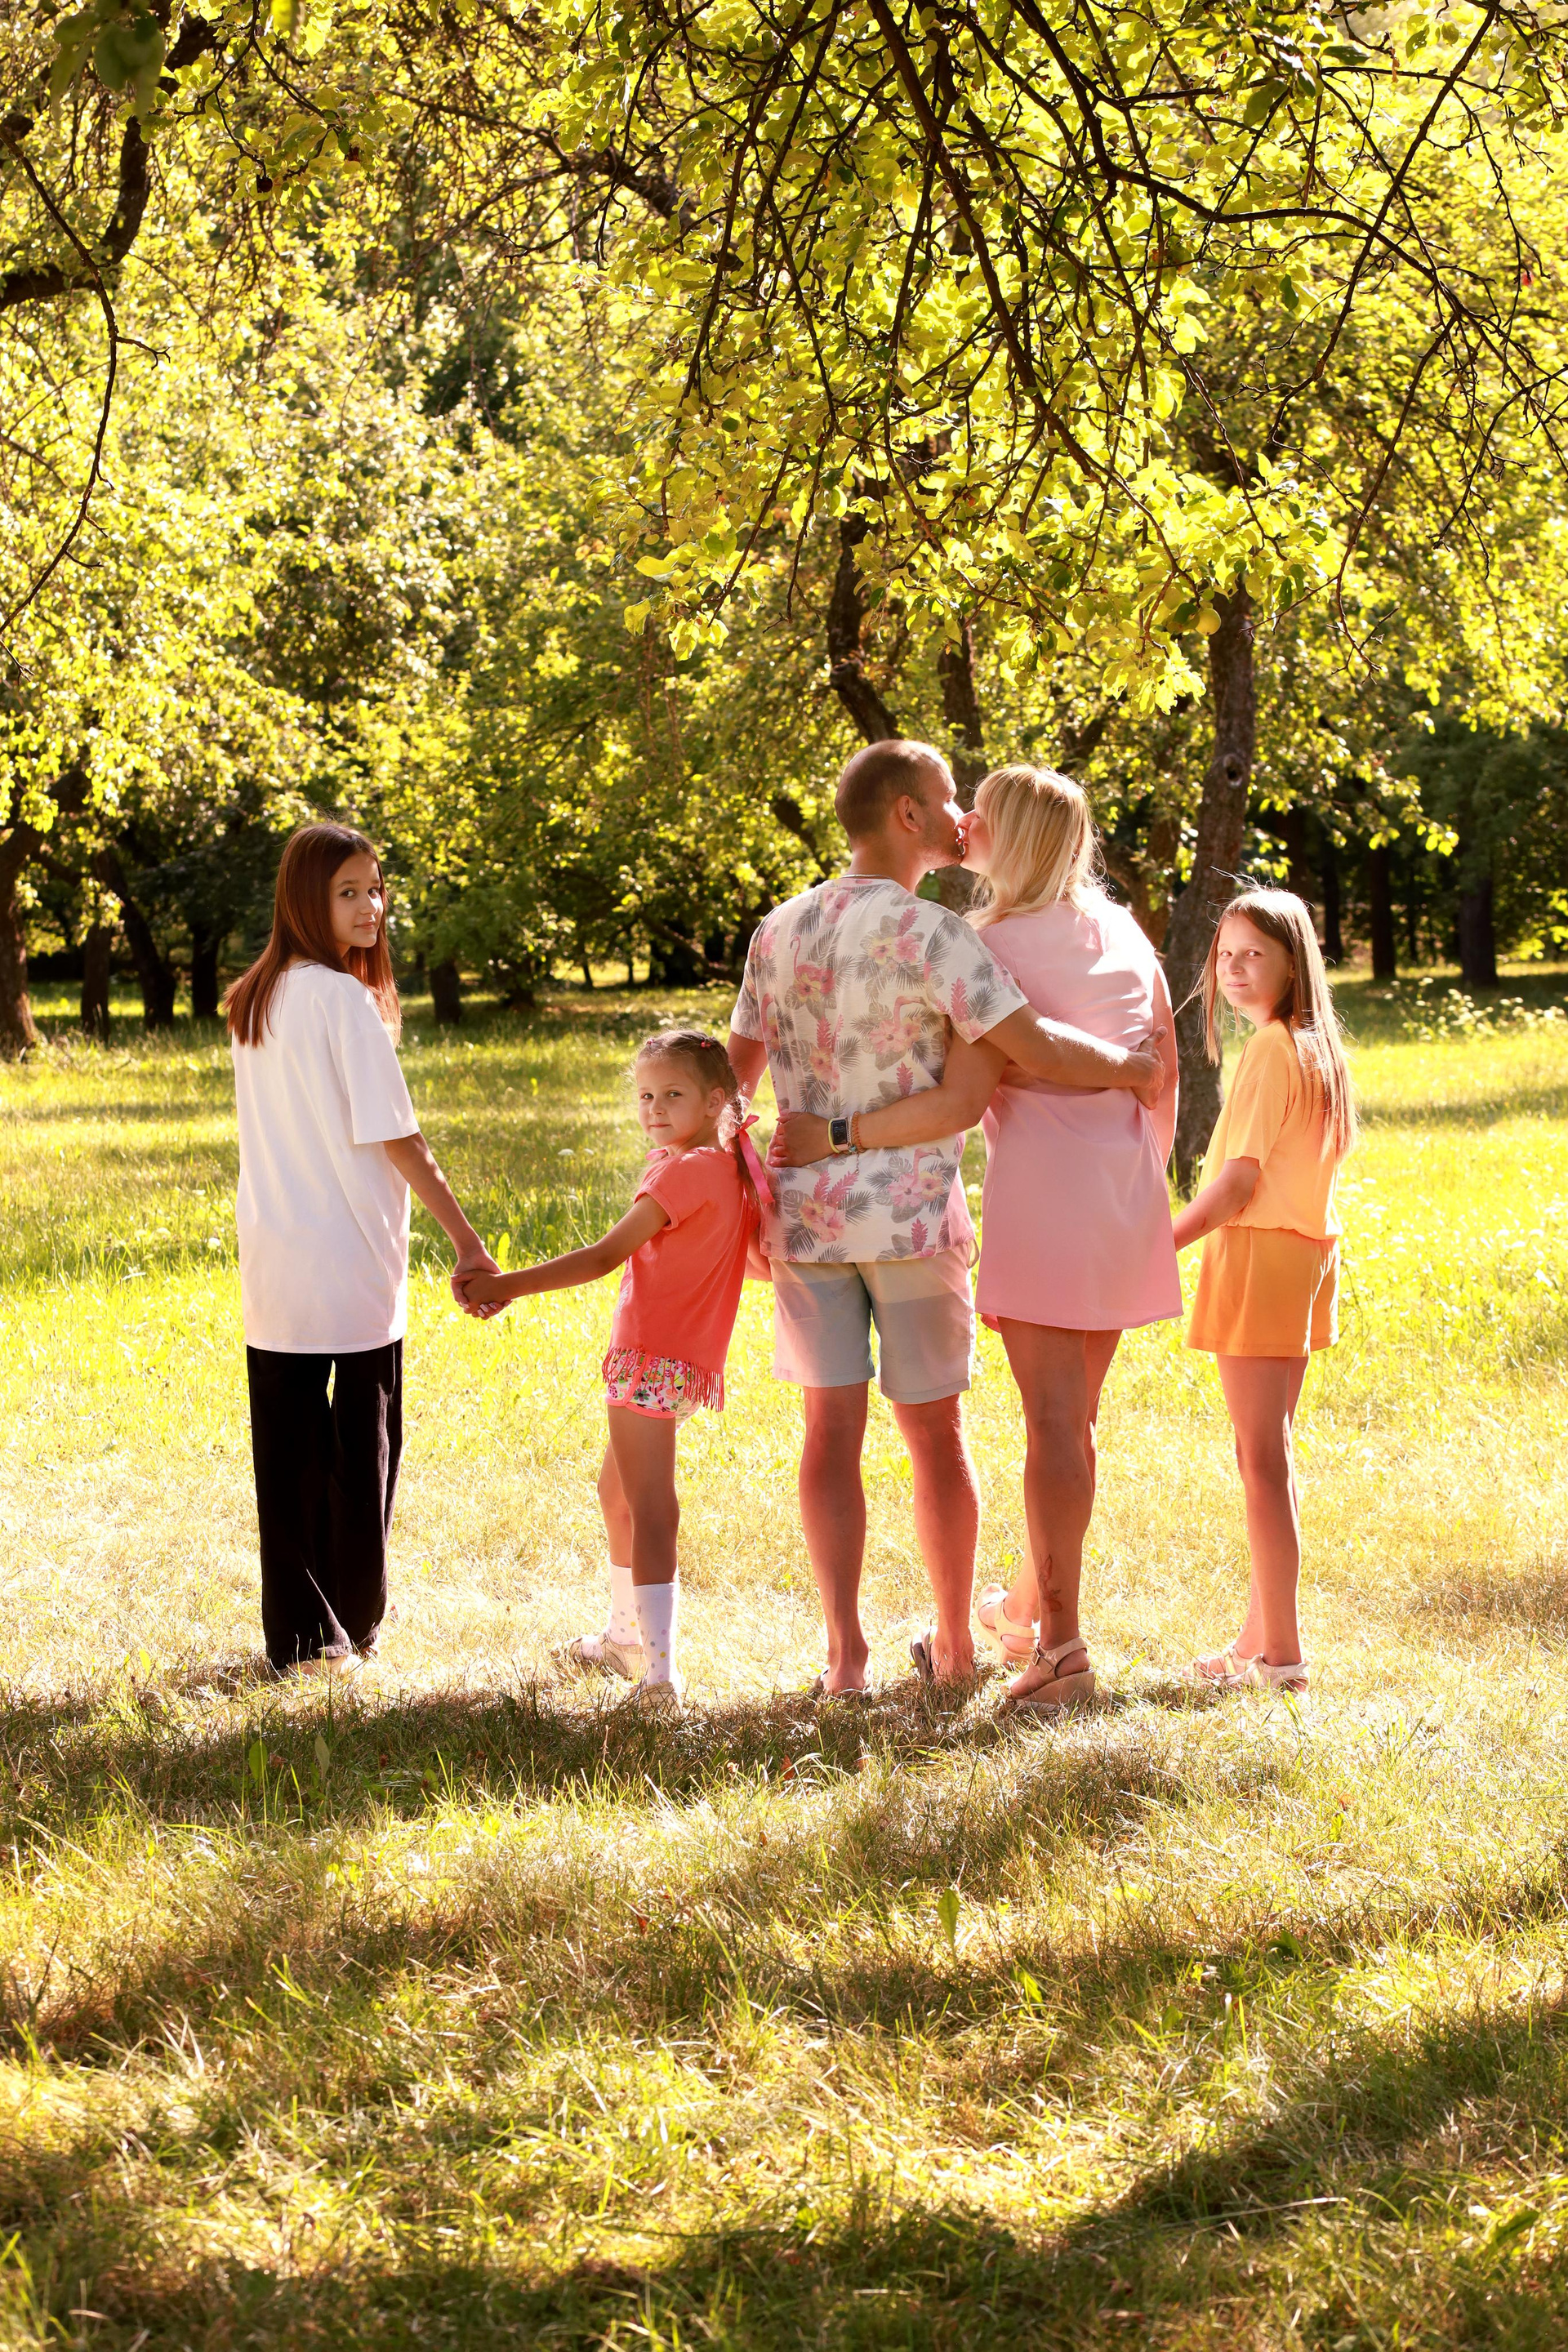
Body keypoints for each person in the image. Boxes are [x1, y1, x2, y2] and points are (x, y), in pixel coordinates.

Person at [727, 737, 1165, 1696]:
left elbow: (732, 1081)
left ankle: (845, 1658)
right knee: (935, 1437)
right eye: (948, 797)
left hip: (805, 1224)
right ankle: (958, 1646)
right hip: (912, 1224)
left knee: (826, 1433)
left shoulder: (777, 929)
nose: (963, 813)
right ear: (910, 816)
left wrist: (739, 1195)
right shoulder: (936, 935)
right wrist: (1134, 1068)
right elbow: (1032, 1047)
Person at [228, 822, 500, 1678]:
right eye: (348, 891)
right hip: (348, 1256)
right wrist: (467, 1240)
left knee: (288, 1452)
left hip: (276, 1253)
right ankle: (351, 1620)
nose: (370, 906)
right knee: (364, 1442)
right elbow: (399, 1138)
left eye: (375, 889)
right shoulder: (342, 999)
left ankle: (301, 1639)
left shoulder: (255, 998)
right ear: (305, 899)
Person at [458, 1030, 768, 1710]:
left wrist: (505, 1285)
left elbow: (604, 1256)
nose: (654, 1108)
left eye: (673, 1094)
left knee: (651, 1508)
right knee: (618, 1494)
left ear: (715, 1100)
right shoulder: (728, 1169)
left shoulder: (682, 1172)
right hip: (681, 1366)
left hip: (649, 1360)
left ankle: (660, 1676)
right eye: (646, 1095)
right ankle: (625, 1638)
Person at [1171, 889, 1356, 1693]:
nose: (1235, 969)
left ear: (1293, 962)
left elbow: (1237, 1186)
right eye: (1226, 954)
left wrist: (1153, 1246)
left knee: (1260, 1460)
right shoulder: (1315, 1046)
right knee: (1270, 1457)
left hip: (1262, 1255)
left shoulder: (1273, 1050)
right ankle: (1259, 1639)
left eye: (1254, 954)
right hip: (1306, 1256)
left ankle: (1282, 1656)